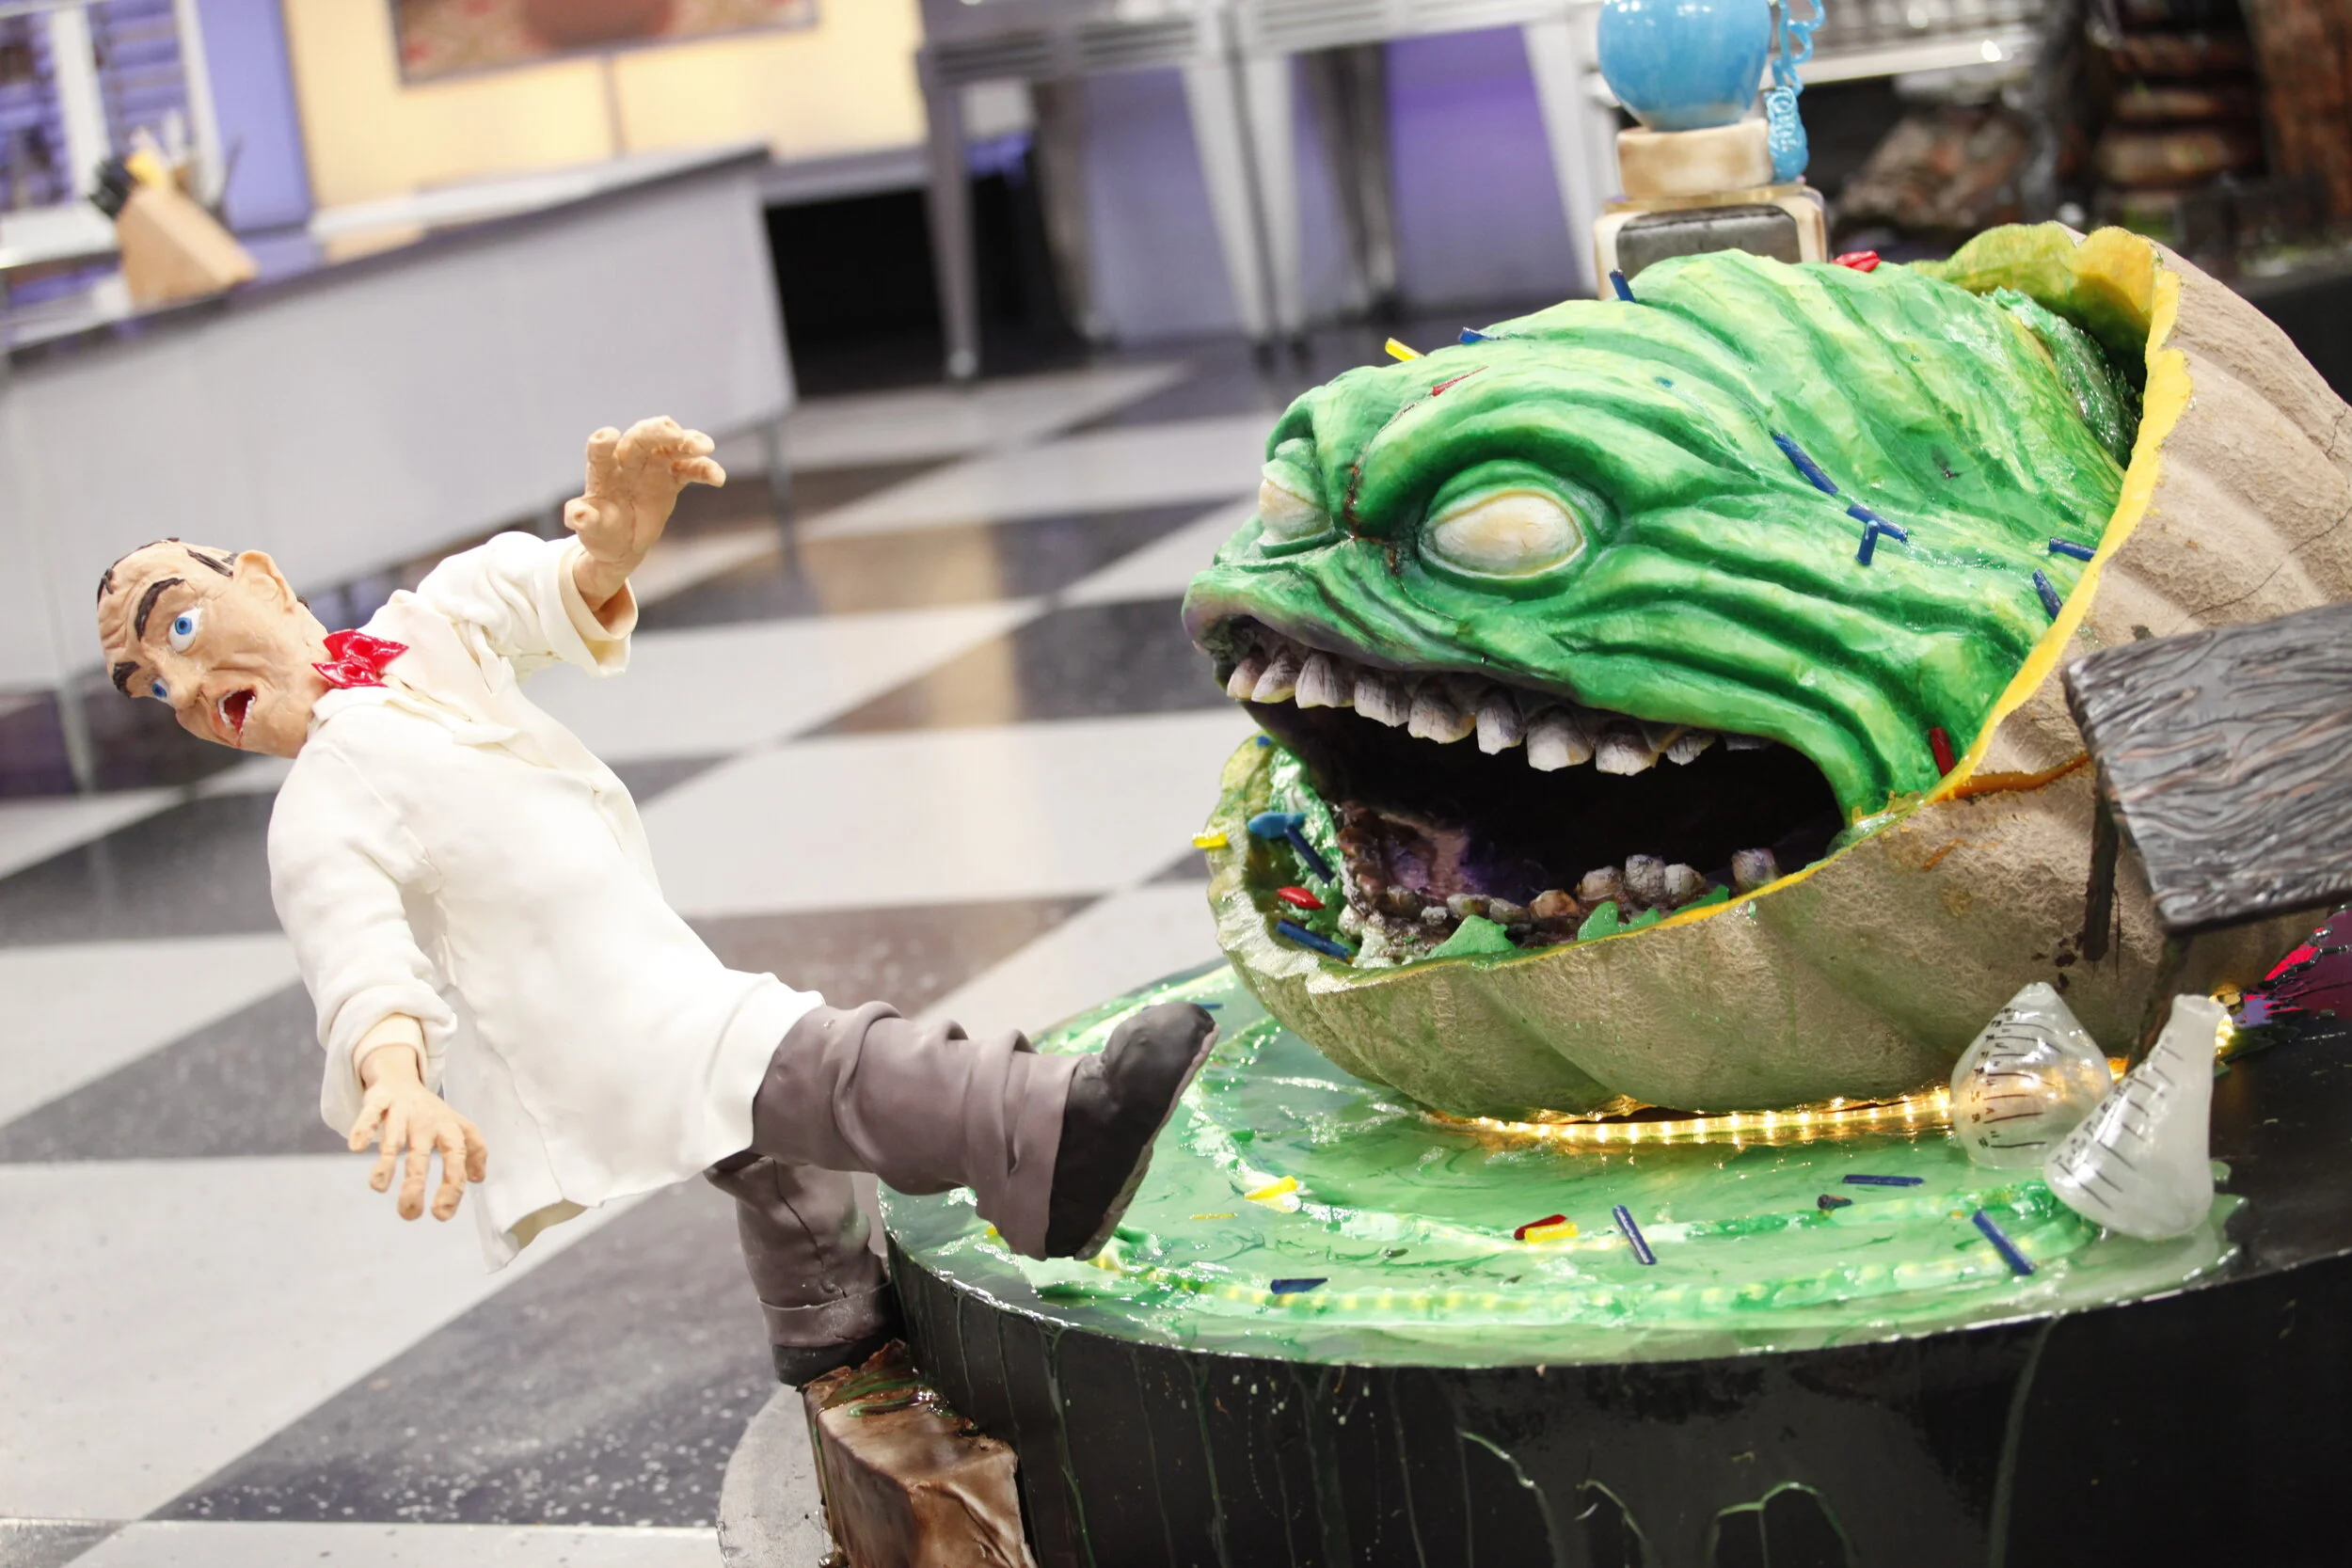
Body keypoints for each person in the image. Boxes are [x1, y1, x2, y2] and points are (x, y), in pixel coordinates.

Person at [92, 417, 1215, 1382]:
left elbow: (530, 594)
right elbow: (355, 952)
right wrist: (394, 1076)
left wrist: (610, 548)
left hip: (631, 955)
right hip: (579, 1015)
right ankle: (1042, 1137)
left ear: (263, 581)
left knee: (762, 1145)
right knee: (810, 1064)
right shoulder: (316, 808)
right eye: (150, 686)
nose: (181, 687)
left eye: (178, 627)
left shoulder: (416, 633)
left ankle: (824, 1314)